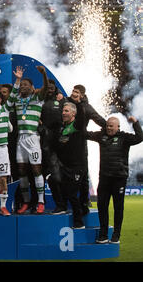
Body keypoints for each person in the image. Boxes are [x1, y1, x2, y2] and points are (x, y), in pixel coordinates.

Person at [87, 116, 143, 244]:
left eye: (111, 126)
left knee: (118, 207)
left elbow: (140, 137)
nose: (109, 128)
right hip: (104, 178)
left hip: (119, 179)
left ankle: (116, 235)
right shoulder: (102, 136)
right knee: (102, 206)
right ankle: (103, 234)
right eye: (107, 125)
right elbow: (87, 134)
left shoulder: (124, 137)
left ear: (118, 127)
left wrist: (135, 123)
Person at [8, 65, 48, 214]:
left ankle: (41, 202)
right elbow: (9, 102)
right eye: (21, 85)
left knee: (37, 170)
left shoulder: (37, 98)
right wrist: (17, 80)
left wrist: (43, 74)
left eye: (26, 85)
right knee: (22, 171)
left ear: (32, 88)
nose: (23, 87)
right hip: (20, 140)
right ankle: (25, 202)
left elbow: (44, 89)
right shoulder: (17, 99)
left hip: (33, 138)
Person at [68, 84, 106, 215]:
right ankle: (65, 204)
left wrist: (105, 131)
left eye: (77, 92)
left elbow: (100, 120)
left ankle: (84, 203)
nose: (74, 93)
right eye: (73, 91)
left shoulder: (86, 107)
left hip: (80, 144)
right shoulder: (66, 102)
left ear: (82, 95)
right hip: (64, 143)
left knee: (83, 176)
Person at [53, 101, 86, 229]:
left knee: (72, 194)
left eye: (66, 111)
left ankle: (79, 222)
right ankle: (61, 206)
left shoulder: (77, 125)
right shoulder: (62, 128)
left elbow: (82, 117)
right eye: (63, 110)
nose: (63, 113)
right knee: (52, 179)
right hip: (65, 167)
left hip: (77, 167)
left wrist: (78, 103)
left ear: (74, 113)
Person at [40, 80, 66, 214]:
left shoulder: (62, 100)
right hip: (39, 143)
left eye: (52, 87)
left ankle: (61, 205)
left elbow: (72, 111)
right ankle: (39, 204)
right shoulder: (39, 100)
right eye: (47, 87)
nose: (50, 89)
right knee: (38, 176)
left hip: (57, 145)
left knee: (56, 176)